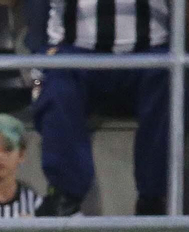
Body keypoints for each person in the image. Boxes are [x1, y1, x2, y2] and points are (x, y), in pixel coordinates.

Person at [33, 0, 173, 216]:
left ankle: (154, 195)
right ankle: (66, 192)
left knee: (170, 83)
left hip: (150, 50)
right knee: (59, 87)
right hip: (76, 49)